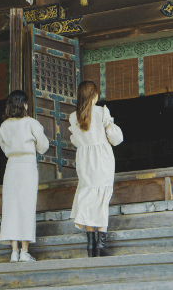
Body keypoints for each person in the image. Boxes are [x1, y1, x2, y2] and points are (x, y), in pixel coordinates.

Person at [69, 80, 123, 257]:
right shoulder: (102, 111)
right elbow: (115, 138)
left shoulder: (73, 116)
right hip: (103, 159)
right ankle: (100, 245)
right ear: (94, 95)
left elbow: (75, 141)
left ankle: (90, 244)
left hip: (84, 160)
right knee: (102, 199)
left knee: (88, 198)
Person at [0, 90, 49, 262]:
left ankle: (14, 251)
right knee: (26, 206)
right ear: (25, 104)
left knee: (11, 207)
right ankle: (25, 251)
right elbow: (43, 147)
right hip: (27, 165)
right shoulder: (32, 123)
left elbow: (5, 149)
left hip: (11, 166)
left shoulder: (3, 126)